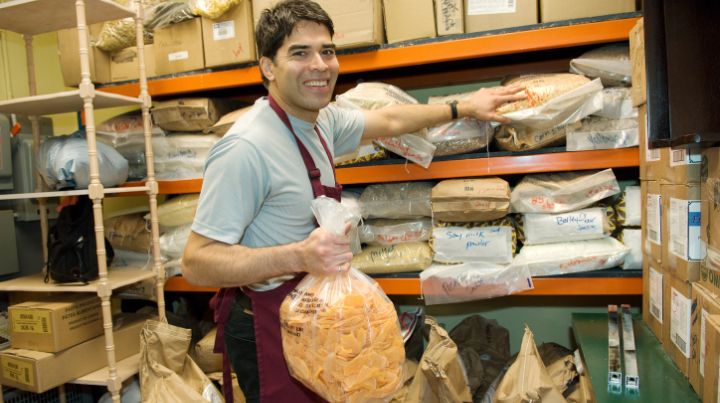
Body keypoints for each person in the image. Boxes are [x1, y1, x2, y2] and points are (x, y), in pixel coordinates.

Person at [182, 1, 525, 401]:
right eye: (300, 53)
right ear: (268, 67)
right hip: (267, 323)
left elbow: (391, 121)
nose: (320, 65)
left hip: (314, 316)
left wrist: (463, 106)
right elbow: (196, 261)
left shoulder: (320, 119)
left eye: (327, 51)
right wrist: (296, 256)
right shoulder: (246, 147)